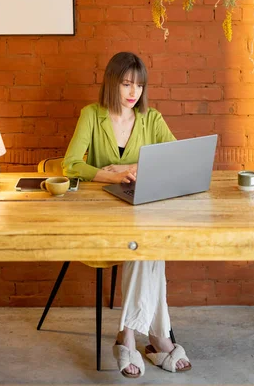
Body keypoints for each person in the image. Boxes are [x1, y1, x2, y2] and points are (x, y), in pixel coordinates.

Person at [62, 52, 191, 378]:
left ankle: (128, 337)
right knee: (147, 246)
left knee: (144, 242)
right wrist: (112, 176)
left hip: (142, 205)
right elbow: (71, 165)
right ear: (112, 83)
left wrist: (130, 168)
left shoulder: (152, 119)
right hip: (103, 210)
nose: (133, 92)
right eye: (126, 84)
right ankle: (159, 339)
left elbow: (177, 159)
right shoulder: (91, 115)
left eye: (139, 85)